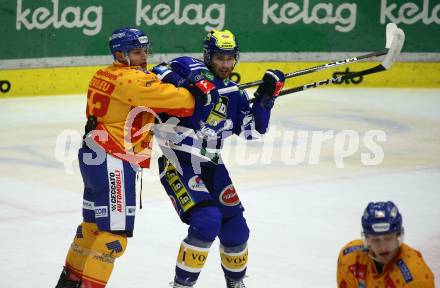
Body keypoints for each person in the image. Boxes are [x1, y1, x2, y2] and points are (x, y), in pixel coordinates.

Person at [55, 27, 215, 288]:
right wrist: (196, 86)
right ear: (120, 54)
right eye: (137, 52)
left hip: (93, 155)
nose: (144, 57)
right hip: (113, 158)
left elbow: (144, 90)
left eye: (144, 51)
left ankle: (67, 283)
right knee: (113, 238)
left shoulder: (104, 74)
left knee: (91, 228)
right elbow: (184, 103)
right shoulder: (133, 82)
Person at [151, 30, 285, 288]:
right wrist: (193, 82)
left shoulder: (234, 93)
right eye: (220, 58)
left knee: (237, 231)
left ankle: (235, 284)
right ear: (208, 56)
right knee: (207, 221)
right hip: (178, 161)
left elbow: (252, 131)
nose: (225, 64)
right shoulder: (188, 65)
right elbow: (156, 71)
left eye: (230, 58)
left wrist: (266, 100)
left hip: (212, 165)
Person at [337, 201, 435, 288]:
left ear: (398, 236)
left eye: (388, 238)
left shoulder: (415, 277)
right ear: (367, 239)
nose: (383, 247)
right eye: (376, 239)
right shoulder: (351, 259)